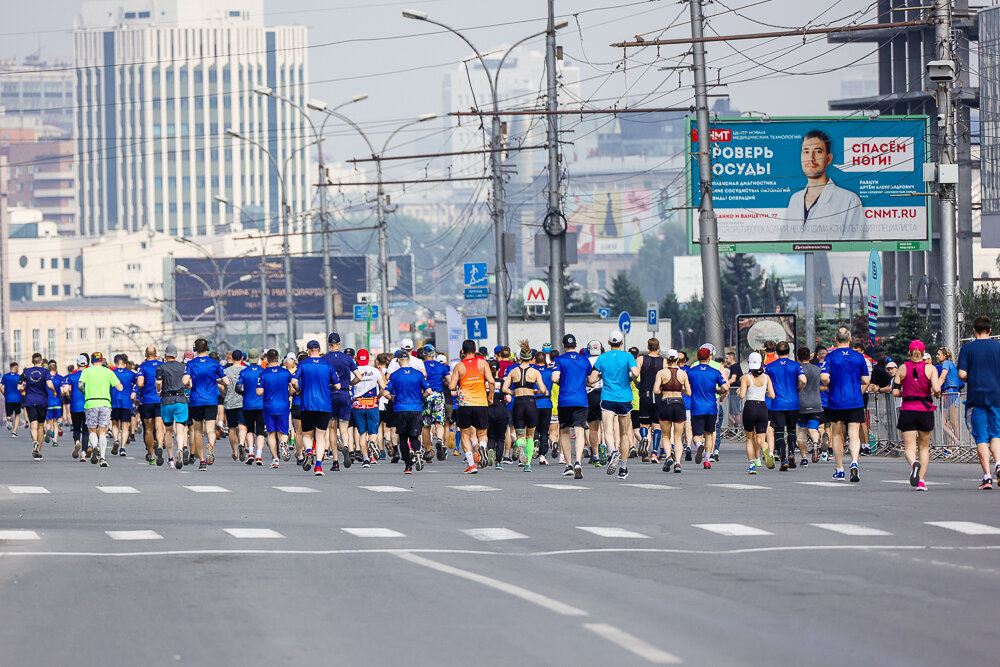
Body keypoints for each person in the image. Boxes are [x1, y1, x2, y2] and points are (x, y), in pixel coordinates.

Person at [782, 129, 864, 239]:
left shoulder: (849, 201)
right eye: (806, 152)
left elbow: (854, 248)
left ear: (828, 159)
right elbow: (784, 245)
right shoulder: (794, 200)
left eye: (818, 151)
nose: (811, 159)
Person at [820, 327, 870, 482]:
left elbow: (824, 378)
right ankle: (854, 461)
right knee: (854, 434)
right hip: (855, 400)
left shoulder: (830, 357)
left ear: (835, 340)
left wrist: (830, 382)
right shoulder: (858, 357)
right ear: (850, 340)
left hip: (836, 400)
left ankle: (840, 469)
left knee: (836, 434)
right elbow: (866, 380)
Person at [956, 315, 1000, 490]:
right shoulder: (998, 347)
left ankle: (987, 477)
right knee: (996, 435)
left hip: (976, 397)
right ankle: (998, 463)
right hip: (997, 397)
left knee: (981, 437)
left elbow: (962, 374)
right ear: (990, 330)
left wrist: (972, 374)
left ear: (974, 331)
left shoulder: (967, 348)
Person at [590, 331, 639, 479]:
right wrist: (630, 376)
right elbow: (636, 373)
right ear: (621, 343)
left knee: (608, 430)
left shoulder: (602, 358)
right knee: (624, 434)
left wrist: (599, 375)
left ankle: (612, 451)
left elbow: (592, 379)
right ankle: (623, 468)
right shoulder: (628, 356)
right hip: (625, 398)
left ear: (609, 343)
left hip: (608, 398)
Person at [893, 340, 941, 491]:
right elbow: (937, 389)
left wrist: (906, 392)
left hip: (907, 410)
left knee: (909, 447)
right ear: (923, 352)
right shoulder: (930, 368)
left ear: (909, 352)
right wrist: (936, 393)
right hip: (925, 410)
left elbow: (895, 391)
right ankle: (921, 481)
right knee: (924, 447)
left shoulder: (902, 368)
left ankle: (914, 464)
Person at [292, 340, 339, 476]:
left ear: (308, 350)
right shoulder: (327, 364)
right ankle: (318, 467)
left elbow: (293, 381)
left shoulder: (303, 364)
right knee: (320, 436)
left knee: (307, 434)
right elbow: (337, 386)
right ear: (319, 349)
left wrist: (299, 390)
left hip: (307, 404)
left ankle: (308, 452)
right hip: (324, 404)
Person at [447, 339, 494, 474]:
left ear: (462, 351)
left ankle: (471, 465)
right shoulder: (483, 363)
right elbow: (491, 381)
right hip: (481, 403)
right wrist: (490, 396)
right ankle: (483, 447)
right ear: (474, 351)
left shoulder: (459, 366)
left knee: (465, 435)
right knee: (482, 433)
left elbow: (451, 386)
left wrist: (456, 382)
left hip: (465, 404)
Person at [502, 341, 548, 473]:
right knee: (531, 435)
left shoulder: (513, 371)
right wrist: (536, 392)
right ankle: (527, 464)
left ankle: (520, 446)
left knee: (520, 434)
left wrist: (514, 392)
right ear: (531, 358)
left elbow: (505, 388)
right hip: (531, 403)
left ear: (520, 357)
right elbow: (543, 389)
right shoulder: (535, 372)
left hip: (518, 403)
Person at [383, 349, 431, 474]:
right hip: (416, 408)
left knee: (403, 438)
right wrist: (421, 398)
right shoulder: (418, 374)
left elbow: (385, 392)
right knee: (414, 436)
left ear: (398, 360)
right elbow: (429, 391)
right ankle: (418, 451)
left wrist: (392, 398)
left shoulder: (394, 375)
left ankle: (408, 466)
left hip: (401, 408)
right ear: (409, 359)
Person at [552, 334, 592, 479]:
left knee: (564, 431)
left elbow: (555, 377)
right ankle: (578, 462)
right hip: (581, 400)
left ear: (563, 345)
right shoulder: (584, 360)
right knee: (580, 431)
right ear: (576, 344)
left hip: (564, 400)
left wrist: (560, 381)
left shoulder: (559, 359)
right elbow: (590, 380)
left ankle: (568, 464)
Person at [766, 341, 807, 471]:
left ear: (776, 353)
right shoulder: (795, 365)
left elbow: (766, 383)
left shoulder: (770, 366)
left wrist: (768, 393)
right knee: (792, 430)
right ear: (789, 352)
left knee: (778, 432)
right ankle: (791, 453)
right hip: (793, 402)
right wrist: (799, 389)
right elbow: (803, 380)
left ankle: (783, 458)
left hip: (777, 404)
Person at [322, 333, 361, 472]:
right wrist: (350, 384)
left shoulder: (324, 359)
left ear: (329, 344)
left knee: (332, 428)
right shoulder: (347, 358)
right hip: (344, 393)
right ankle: (346, 446)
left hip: (330, 394)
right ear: (339, 343)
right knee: (344, 427)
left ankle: (335, 462)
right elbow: (359, 376)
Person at [78, 352, 124, 467]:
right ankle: (103, 458)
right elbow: (120, 387)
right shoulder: (108, 372)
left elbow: (80, 385)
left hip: (91, 402)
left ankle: (94, 447)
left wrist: (85, 392)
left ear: (91, 361)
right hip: (105, 402)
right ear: (102, 360)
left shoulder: (86, 371)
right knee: (103, 431)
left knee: (92, 430)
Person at [687, 347, 729, 469]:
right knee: (709, 433)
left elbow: (685, 386)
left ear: (698, 358)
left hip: (696, 407)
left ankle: (699, 444)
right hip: (711, 407)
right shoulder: (714, 371)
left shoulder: (691, 372)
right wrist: (718, 390)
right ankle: (707, 460)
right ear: (709, 357)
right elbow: (726, 388)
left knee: (696, 434)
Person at [652, 349, 690, 473]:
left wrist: (665, 388)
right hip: (679, 403)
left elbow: (656, 390)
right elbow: (688, 392)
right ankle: (678, 462)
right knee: (678, 437)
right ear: (677, 359)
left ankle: (668, 456)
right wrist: (680, 388)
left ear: (667, 359)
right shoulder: (683, 373)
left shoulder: (661, 373)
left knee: (666, 435)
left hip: (665, 403)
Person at [739, 352, 775, 474]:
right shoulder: (766, 377)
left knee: (749, 439)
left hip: (750, 407)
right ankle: (766, 449)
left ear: (749, 363)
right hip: (763, 407)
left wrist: (740, 391)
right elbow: (773, 395)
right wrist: (763, 392)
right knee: (761, 438)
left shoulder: (746, 377)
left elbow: (742, 395)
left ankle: (752, 465)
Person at [257, 349, 293, 470]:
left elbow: (259, 391)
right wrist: (287, 392)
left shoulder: (263, 373)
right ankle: (283, 443)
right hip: (283, 406)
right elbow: (293, 389)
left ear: (267, 359)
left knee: (271, 433)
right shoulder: (286, 372)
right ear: (278, 359)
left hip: (269, 407)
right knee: (283, 432)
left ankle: (275, 459)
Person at [156, 344, 189, 469]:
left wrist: (159, 391)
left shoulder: (161, 367)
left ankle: (171, 459)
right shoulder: (183, 367)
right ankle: (180, 449)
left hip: (167, 400)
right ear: (176, 355)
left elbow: (158, 382)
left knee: (168, 431)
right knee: (180, 429)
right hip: (181, 399)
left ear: (165, 354)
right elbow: (188, 383)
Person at [352, 349, 386, 467]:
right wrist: (378, 397)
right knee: (373, 431)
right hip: (372, 403)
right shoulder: (375, 371)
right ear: (368, 358)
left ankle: (365, 459)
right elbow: (383, 387)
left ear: (357, 358)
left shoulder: (353, 371)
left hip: (358, 404)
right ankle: (372, 453)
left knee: (362, 433)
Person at [20, 353, 55, 459]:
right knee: (40, 426)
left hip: (30, 401)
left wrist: (26, 387)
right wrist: (53, 392)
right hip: (42, 401)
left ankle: (34, 441)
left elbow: (19, 387)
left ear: (32, 361)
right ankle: (38, 450)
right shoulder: (46, 372)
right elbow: (49, 385)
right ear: (41, 361)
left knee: (33, 424)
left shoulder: (25, 372)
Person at [135, 346, 166, 466]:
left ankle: (151, 455)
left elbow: (140, 383)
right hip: (160, 399)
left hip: (147, 400)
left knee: (148, 429)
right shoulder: (161, 365)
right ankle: (159, 444)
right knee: (159, 426)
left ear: (145, 354)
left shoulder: (142, 367)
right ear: (156, 353)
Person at [635, 338, 664, 461]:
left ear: (648, 347)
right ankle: (654, 452)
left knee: (644, 424)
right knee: (657, 425)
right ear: (658, 347)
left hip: (644, 394)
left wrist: (639, 382)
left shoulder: (641, 359)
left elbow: (635, 375)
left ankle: (645, 438)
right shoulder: (664, 361)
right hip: (658, 395)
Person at [236, 349, 267, 466]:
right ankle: (259, 455)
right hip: (261, 405)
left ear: (248, 358)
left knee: (249, 429)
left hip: (248, 405)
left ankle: (251, 453)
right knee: (260, 430)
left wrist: (245, 394)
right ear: (258, 358)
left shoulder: (244, 372)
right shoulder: (263, 371)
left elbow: (237, 388)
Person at [795, 346, 824, 468]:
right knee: (813, 429)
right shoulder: (817, 370)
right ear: (810, 357)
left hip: (801, 403)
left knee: (801, 432)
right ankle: (816, 443)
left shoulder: (797, 369)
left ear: (798, 357)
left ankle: (804, 458)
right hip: (816, 402)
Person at [422, 345, 449, 461]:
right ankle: (439, 440)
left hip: (426, 395)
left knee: (426, 425)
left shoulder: (421, 366)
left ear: (424, 354)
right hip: (438, 394)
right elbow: (450, 380)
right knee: (439, 423)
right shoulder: (441, 366)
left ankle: (428, 451)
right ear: (434, 355)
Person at [222, 349, 247, 462]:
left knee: (232, 428)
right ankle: (242, 443)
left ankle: (235, 452)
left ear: (231, 358)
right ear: (242, 358)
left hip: (229, 402)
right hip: (243, 401)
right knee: (242, 426)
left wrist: (224, 393)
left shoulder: (226, 371)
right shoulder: (245, 370)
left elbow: (221, 385)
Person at [110, 354, 137, 458]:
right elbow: (138, 385)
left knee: (115, 423)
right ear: (125, 364)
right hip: (127, 402)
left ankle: (116, 440)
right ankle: (123, 447)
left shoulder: (112, 373)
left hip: (114, 401)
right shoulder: (131, 374)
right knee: (125, 426)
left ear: (116, 364)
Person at [62, 355, 89, 460]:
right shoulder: (90, 374)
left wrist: (70, 395)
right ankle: (83, 453)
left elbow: (65, 390)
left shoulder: (71, 376)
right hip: (87, 405)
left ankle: (77, 441)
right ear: (86, 363)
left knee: (77, 428)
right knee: (86, 430)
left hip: (75, 405)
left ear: (77, 364)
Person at [936, 347, 961, 449]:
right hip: (953, 392)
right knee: (952, 422)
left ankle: (956, 442)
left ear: (945, 356)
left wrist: (935, 388)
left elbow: (942, 377)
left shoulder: (946, 363)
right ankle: (954, 446)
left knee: (945, 423)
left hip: (950, 393)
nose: (937, 356)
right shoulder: (950, 364)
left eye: (939, 354)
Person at [44, 361, 64, 448]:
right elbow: (63, 391)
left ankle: (48, 430)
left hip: (48, 402)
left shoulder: (46, 378)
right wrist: (61, 396)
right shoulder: (60, 378)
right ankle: (55, 440)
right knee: (56, 422)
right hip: (57, 402)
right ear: (56, 369)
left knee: (48, 420)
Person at [2, 362, 24, 436]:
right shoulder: (19, 377)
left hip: (8, 398)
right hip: (18, 398)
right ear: (16, 368)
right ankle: (14, 432)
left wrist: (3, 393)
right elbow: (22, 387)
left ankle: (9, 419)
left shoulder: (5, 376)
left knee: (9, 414)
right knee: (17, 414)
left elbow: (0, 385)